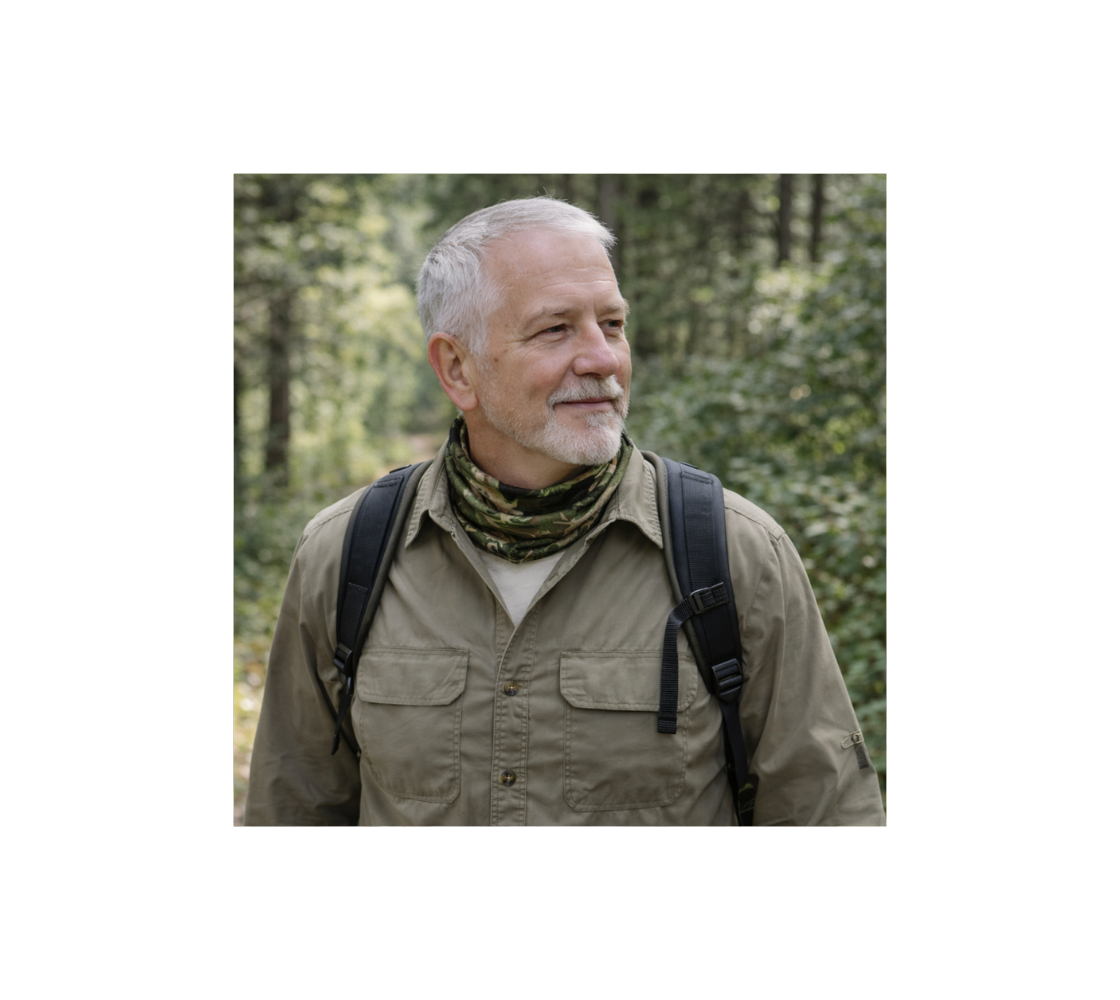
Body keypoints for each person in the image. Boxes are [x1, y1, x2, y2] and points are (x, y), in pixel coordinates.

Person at [246, 197, 886, 827]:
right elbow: (295, 804)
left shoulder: (737, 553)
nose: (604, 359)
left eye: (612, 324)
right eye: (555, 329)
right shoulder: (345, 555)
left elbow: (826, 810)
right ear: (457, 368)